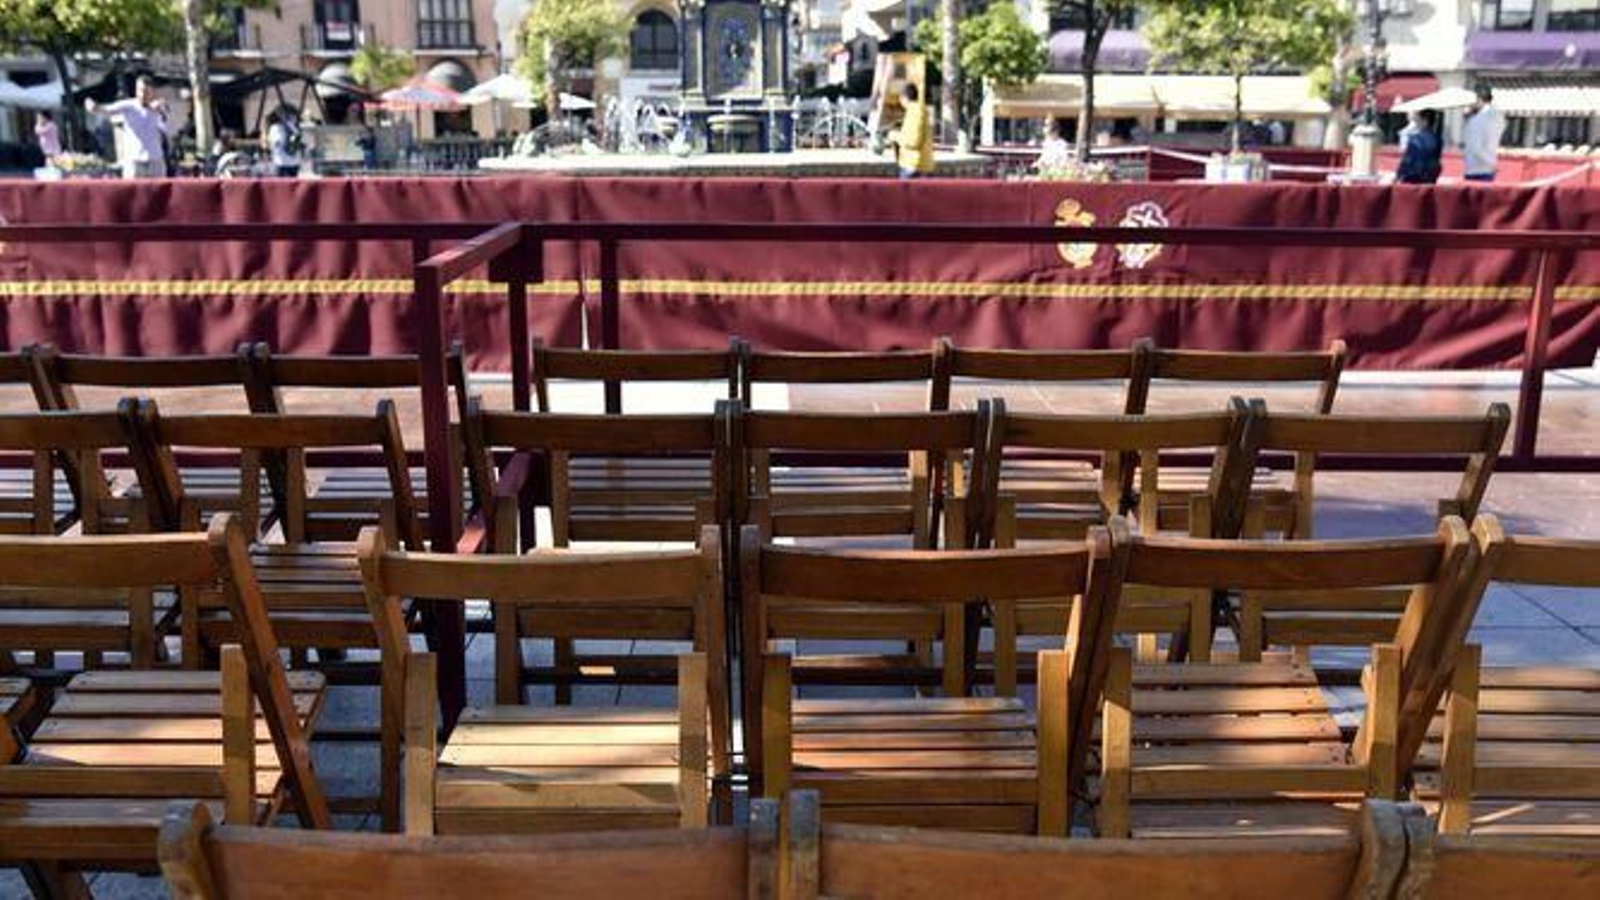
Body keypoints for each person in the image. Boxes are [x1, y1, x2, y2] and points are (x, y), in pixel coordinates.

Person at [85, 76, 178, 178]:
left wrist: (161, 112)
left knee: (159, 193)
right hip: (134, 162)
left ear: (152, 92)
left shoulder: (159, 108)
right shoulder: (129, 106)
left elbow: (168, 129)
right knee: (132, 193)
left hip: (155, 161)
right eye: (140, 91)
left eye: (146, 91)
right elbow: (108, 109)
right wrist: (94, 107)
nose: (142, 95)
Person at [1461, 84, 1505, 183]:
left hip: (1475, 169)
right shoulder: (1498, 116)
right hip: (1488, 167)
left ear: (1478, 99)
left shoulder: (1477, 120)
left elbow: (1476, 148)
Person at [894, 83, 933, 179]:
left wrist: (895, 136)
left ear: (904, 98)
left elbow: (913, 141)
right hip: (919, 164)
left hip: (913, 165)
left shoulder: (915, 112)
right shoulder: (916, 111)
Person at [1396, 109, 1442, 185]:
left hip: (1414, 177)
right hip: (1430, 176)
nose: (1417, 122)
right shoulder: (1438, 139)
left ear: (1425, 121)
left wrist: (1399, 175)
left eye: (1418, 120)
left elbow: (1407, 160)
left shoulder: (1415, 139)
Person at [266, 109, 301, 178]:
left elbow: (298, 137)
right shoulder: (276, 128)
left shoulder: (294, 127)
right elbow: (276, 142)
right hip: (282, 162)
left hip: (290, 162)